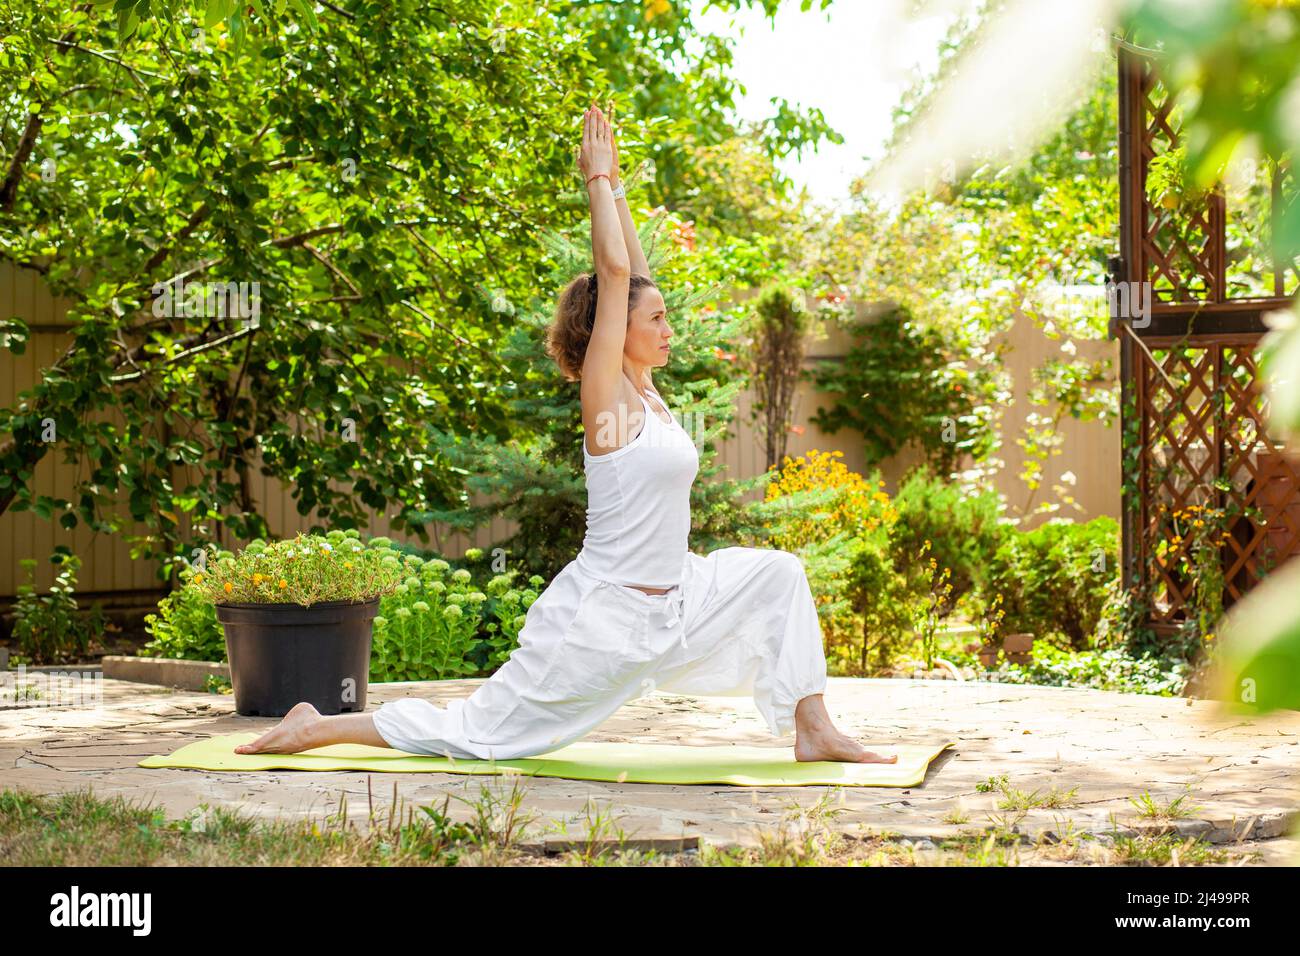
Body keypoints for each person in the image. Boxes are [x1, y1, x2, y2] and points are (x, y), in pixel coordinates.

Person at [236, 101, 896, 766]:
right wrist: (594, 183)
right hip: (604, 624)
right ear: (617, 329)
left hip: (682, 601)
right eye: (658, 319)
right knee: (483, 736)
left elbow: (632, 276)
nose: (670, 328)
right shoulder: (607, 396)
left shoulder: (647, 389)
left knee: (779, 575)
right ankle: (314, 726)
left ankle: (814, 729)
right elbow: (617, 278)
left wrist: (620, 187)